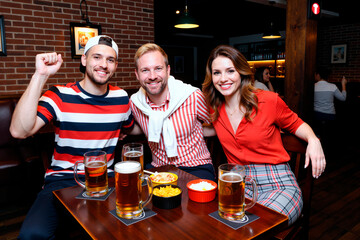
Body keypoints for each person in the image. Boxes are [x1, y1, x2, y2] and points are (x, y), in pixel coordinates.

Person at [10, 35, 134, 239]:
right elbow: (19, 131)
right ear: (84, 60)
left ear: (115, 66)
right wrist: (40, 75)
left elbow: (131, 127)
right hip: (62, 180)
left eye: (110, 60)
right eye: (97, 57)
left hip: (106, 181)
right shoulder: (59, 95)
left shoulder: (121, 97)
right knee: (32, 235)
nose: (103, 65)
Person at [202, 45, 326, 225]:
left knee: (256, 227)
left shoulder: (268, 100)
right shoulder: (214, 108)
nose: (223, 79)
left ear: (242, 72)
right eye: (217, 73)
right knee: (217, 226)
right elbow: (212, 129)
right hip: (237, 182)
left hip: (278, 183)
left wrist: (313, 140)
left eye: (230, 71)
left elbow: (297, 124)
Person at [129, 43, 215, 181]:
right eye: (145, 70)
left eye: (158, 68)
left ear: (168, 71)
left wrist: (196, 129)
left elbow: (216, 124)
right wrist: (120, 130)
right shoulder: (135, 103)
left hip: (196, 167)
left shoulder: (192, 96)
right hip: (158, 169)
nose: (152, 76)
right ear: (137, 74)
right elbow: (140, 127)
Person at [313, 67, 347, 154]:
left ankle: (317, 152)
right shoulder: (332, 86)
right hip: (330, 116)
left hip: (316, 116)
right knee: (328, 137)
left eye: (315, 74)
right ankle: (328, 154)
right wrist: (343, 84)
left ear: (318, 75)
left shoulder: (313, 87)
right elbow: (343, 98)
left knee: (317, 135)